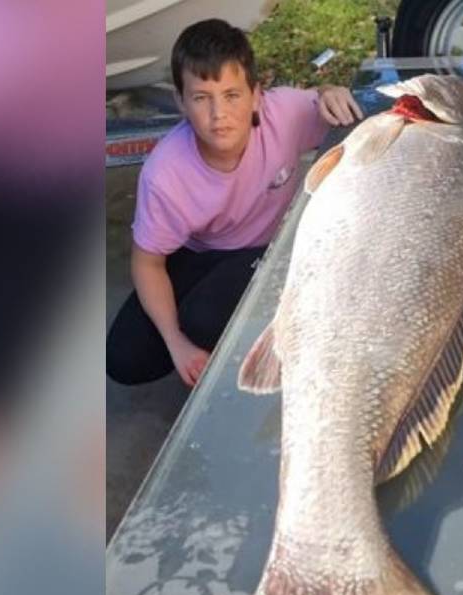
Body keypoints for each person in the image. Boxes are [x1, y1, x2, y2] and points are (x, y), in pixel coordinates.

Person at [106, 19, 363, 387]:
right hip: (205, 252)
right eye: (201, 98)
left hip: (273, 250)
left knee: (204, 319)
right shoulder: (164, 173)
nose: (218, 115)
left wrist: (331, 90)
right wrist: (176, 344)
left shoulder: (284, 113)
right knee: (124, 358)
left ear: (257, 94)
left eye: (232, 95)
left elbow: (345, 115)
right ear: (180, 101)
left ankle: (269, 348)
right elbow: (148, 263)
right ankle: (218, 339)